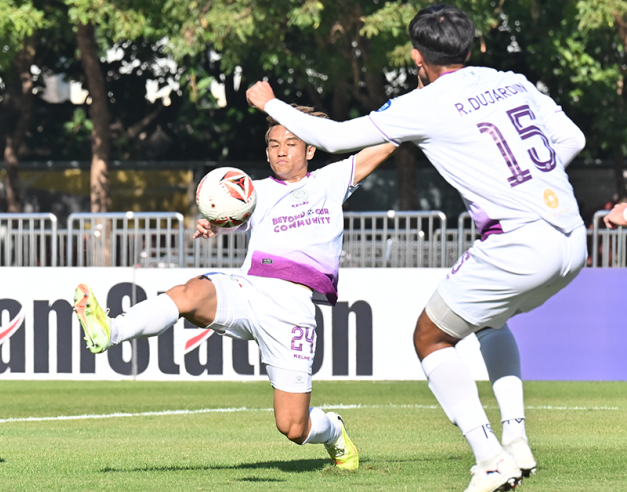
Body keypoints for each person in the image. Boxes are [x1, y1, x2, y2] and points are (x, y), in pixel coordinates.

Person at [246, 4, 587, 491]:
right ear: (472, 46)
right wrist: (529, 186)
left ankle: (490, 459)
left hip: (517, 241)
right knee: (490, 322)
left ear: (416, 57)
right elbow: (572, 137)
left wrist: (270, 104)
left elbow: (335, 137)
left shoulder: (425, 102)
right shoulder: (512, 81)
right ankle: (515, 439)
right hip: (571, 237)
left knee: (430, 338)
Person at [73, 105, 398, 471]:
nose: (281, 151)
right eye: (274, 144)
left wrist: (418, 107)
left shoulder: (331, 180)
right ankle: (111, 330)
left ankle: (334, 431)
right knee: (189, 293)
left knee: (293, 427)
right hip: (249, 289)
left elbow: (386, 142)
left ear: (310, 149)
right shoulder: (253, 192)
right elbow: (229, 215)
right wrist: (214, 223)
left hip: (292, 309)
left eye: (291, 143)